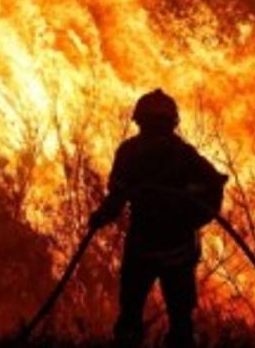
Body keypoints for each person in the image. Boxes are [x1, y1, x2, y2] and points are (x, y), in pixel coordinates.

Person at [89, 89, 227, 348]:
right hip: (145, 248)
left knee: (177, 323)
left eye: (157, 124)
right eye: (150, 124)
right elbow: (118, 195)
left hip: (174, 251)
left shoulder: (181, 155)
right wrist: (101, 216)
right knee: (134, 319)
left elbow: (213, 188)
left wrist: (189, 217)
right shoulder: (132, 153)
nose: (153, 131)